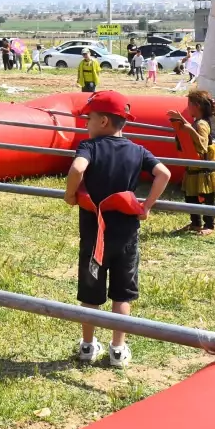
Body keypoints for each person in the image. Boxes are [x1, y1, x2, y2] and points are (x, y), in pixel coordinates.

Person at [64, 91, 171, 368]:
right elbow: (165, 173)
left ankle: (88, 347)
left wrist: (70, 194)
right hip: (126, 235)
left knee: (91, 290)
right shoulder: (138, 150)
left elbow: (77, 169)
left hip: (93, 234)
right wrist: (146, 205)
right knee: (122, 292)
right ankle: (117, 350)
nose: (86, 123)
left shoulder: (89, 147)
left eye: (89, 118)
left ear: (102, 122)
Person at [167, 91, 215, 235]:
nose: (187, 108)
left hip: (205, 167)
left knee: (208, 198)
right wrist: (182, 120)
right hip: (195, 167)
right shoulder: (197, 122)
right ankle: (195, 223)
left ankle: (209, 225)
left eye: (189, 104)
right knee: (190, 196)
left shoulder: (202, 124)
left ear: (197, 106)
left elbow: (203, 145)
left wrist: (190, 131)